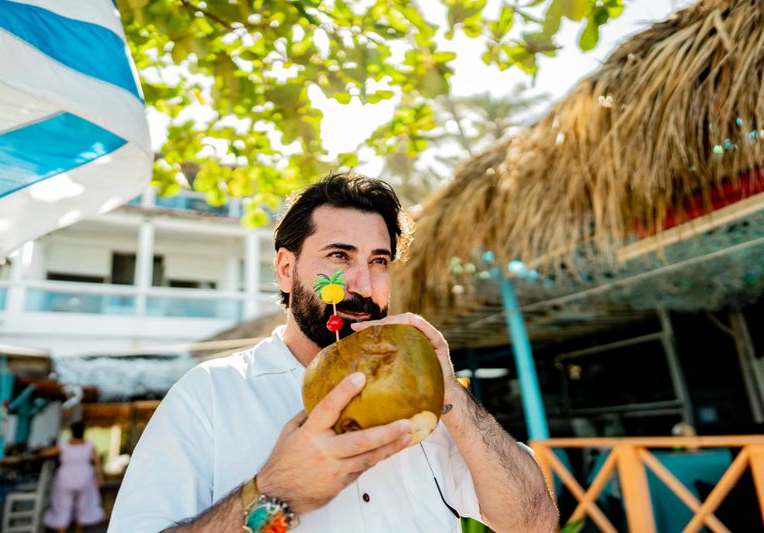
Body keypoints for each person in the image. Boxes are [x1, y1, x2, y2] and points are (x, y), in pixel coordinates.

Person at [109, 173, 558, 532]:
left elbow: (534, 524)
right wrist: (275, 493)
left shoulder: (428, 402)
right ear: (287, 270)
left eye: (379, 261)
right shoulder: (209, 394)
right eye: (340, 256)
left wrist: (453, 399)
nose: (363, 285)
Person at [42, 420, 106, 532]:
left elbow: (46, 453)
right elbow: (97, 461)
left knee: (62, 506)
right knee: (83, 507)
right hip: (84, 476)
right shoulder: (89, 445)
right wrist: (99, 476)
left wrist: (41, 450)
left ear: (72, 432)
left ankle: (61, 530)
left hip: (66, 477)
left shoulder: (64, 445)